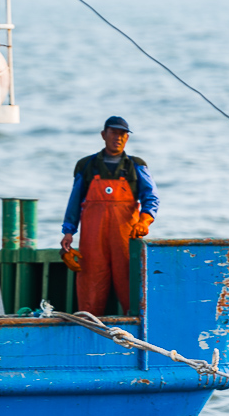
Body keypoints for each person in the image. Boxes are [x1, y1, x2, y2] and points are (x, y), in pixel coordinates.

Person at [60, 116, 159, 315]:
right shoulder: (86, 166)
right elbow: (74, 203)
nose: (118, 138)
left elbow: (152, 198)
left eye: (123, 134)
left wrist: (144, 221)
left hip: (126, 239)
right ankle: (89, 328)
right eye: (114, 132)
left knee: (130, 283)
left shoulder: (136, 166)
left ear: (127, 138)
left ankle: (135, 331)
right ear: (103, 135)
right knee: (91, 285)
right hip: (92, 241)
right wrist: (68, 233)